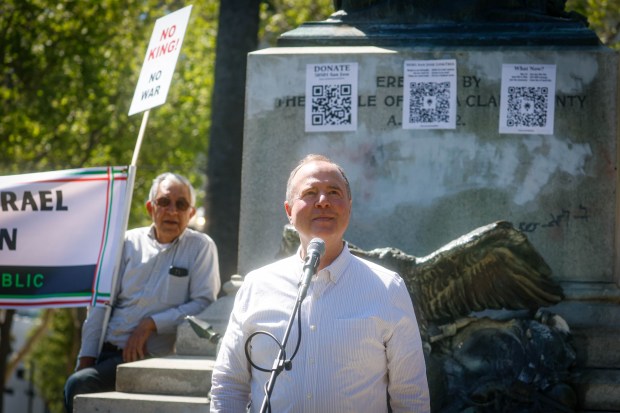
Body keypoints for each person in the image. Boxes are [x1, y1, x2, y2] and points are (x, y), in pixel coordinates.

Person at [210, 154, 430, 412]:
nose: (323, 202)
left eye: (334, 192)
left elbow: (411, 396)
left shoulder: (387, 288)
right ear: (289, 211)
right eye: (310, 192)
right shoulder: (257, 286)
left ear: (349, 206)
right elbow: (229, 385)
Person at [64, 172, 221, 412]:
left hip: (152, 359)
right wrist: (86, 358)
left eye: (181, 205)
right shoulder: (127, 242)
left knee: (80, 384)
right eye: (164, 202)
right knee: (78, 382)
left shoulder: (201, 247)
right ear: (151, 207)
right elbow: (100, 303)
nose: (172, 211)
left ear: (191, 213)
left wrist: (151, 323)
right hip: (107, 351)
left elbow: (204, 303)